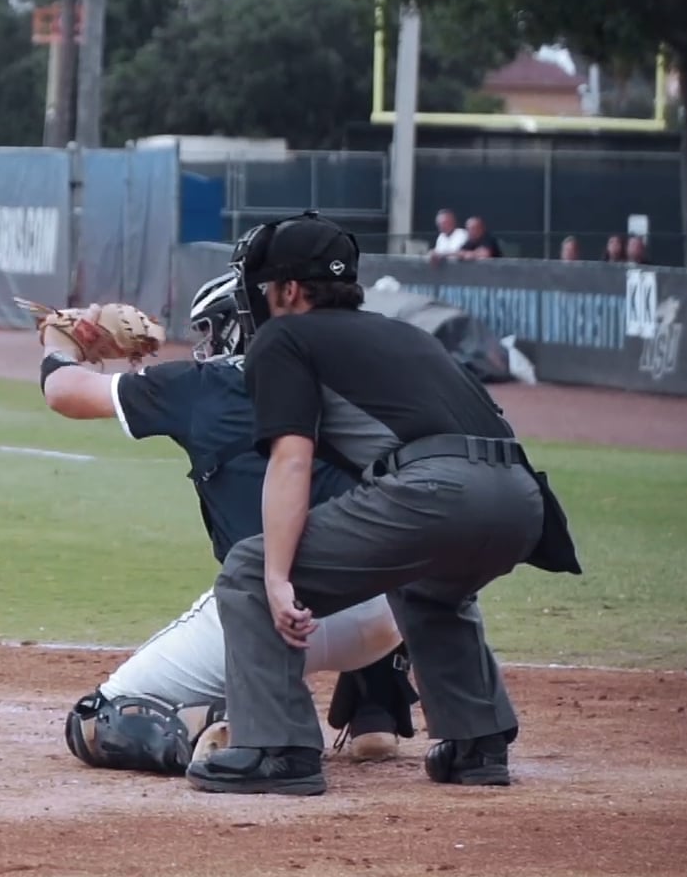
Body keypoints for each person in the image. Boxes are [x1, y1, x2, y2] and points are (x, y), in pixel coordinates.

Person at [187, 211, 579, 797]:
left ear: (290, 290)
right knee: (430, 587)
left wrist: (275, 575)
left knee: (246, 571)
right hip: (522, 498)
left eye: (268, 286)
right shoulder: (406, 332)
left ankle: (277, 749)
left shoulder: (283, 337)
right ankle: (477, 742)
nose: (263, 298)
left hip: (439, 492)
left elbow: (291, 460)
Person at [41, 272, 417, 776]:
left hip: (278, 614)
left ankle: (224, 730)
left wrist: (59, 342)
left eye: (213, 331)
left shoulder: (204, 386)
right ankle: (377, 709)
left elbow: (65, 393)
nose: (206, 346)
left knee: (96, 719)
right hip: (393, 613)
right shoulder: (369, 378)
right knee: (366, 523)